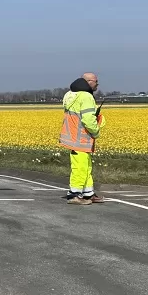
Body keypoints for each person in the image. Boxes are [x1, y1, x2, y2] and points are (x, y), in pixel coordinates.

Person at [59, 73, 106, 205]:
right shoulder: (86, 96)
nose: (97, 84)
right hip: (80, 138)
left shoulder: (70, 94)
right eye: (96, 81)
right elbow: (88, 120)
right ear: (89, 82)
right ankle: (74, 195)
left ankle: (88, 194)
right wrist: (96, 132)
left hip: (73, 137)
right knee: (80, 168)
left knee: (86, 167)